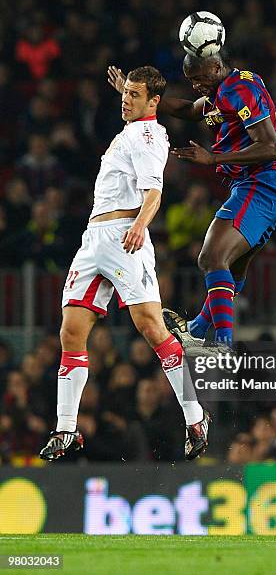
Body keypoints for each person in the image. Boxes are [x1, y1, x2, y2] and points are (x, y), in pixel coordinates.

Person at [40, 66, 210, 463]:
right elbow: (137, 107)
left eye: (135, 94)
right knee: (70, 332)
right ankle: (66, 428)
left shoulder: (150, 136)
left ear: (154, 102)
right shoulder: (133, 129)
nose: (125, 99)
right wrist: (131, 92)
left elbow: (154, 192)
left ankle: (195, 417)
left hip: (123, 235)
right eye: (125, 92)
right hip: (93, 240)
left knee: (151, 328)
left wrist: (139, 226)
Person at [108, 54, 276, 346]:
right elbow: (186, 108)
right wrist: (133, 93)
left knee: (210, 257)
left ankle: (222, 343)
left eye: (200, 77)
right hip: (258, 185)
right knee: (230, 269)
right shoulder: (217, 96)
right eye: (192, 80)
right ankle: (197, 329)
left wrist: (214, 157)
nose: (196, 85)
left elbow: (270, 146)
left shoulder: (240, 88)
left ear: (217, 67)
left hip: (264, 182)